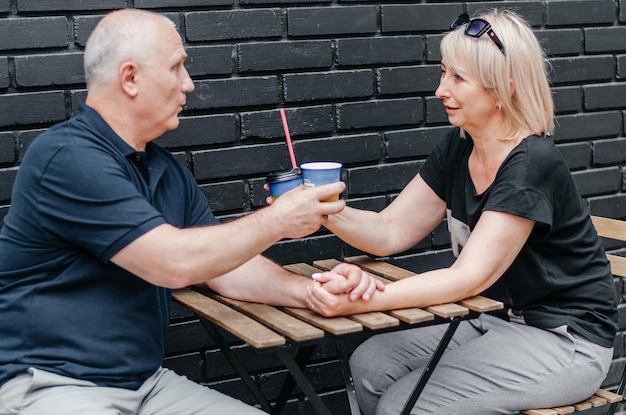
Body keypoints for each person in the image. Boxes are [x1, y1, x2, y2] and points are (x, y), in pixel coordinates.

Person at [0, 9, 382, 415]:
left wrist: (308, 290)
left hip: (146, 383)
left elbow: (224, 268)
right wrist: (278, 221)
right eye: (177, 67)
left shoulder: (164, 170)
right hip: (52, 386)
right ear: (130, 78)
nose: (189, 84)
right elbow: (173, 262)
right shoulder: (67, 157)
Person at [305, 9, 619, 415]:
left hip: (564, 339)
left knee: (407, 404)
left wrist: (360, 301)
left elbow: (468, 277)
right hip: (494, 320)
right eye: (443, 73)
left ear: (503, 88)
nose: (440, 90)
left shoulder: (530, 164)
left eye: (458, 78)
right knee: (371, 364)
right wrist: (322, 208)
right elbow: (389, 230)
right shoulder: (458, 146)